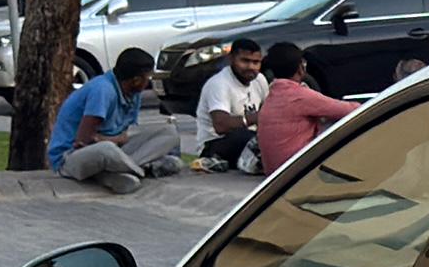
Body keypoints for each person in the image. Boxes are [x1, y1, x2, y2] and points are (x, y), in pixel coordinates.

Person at [48, 46, 183, 192]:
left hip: (115, 150)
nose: (147, 83)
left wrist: (114, 140)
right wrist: (115, 140)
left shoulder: (133, 93)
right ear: (136, 80)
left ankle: (115, 174)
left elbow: (126, 133)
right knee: (106, 149)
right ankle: (138, 171)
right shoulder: (103, 90)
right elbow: (83, 141)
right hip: (71, 157)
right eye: (147, 78)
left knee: (169, 132)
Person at [249, 41, 349, 169]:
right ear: (301, 68)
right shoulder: (300, 96)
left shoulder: (273, 94)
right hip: (296, 170)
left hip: (273, 170)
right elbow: (349, 110)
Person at [194, 39, 271, 171]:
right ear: (231, 59)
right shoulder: (219, 83)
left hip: (249, 138)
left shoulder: (259, 80)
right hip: (215, 145)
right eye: (245, 61)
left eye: (256, 62)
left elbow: (268, 111)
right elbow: (221, 126)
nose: (251, 67)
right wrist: (256, 117)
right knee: (245, 137)